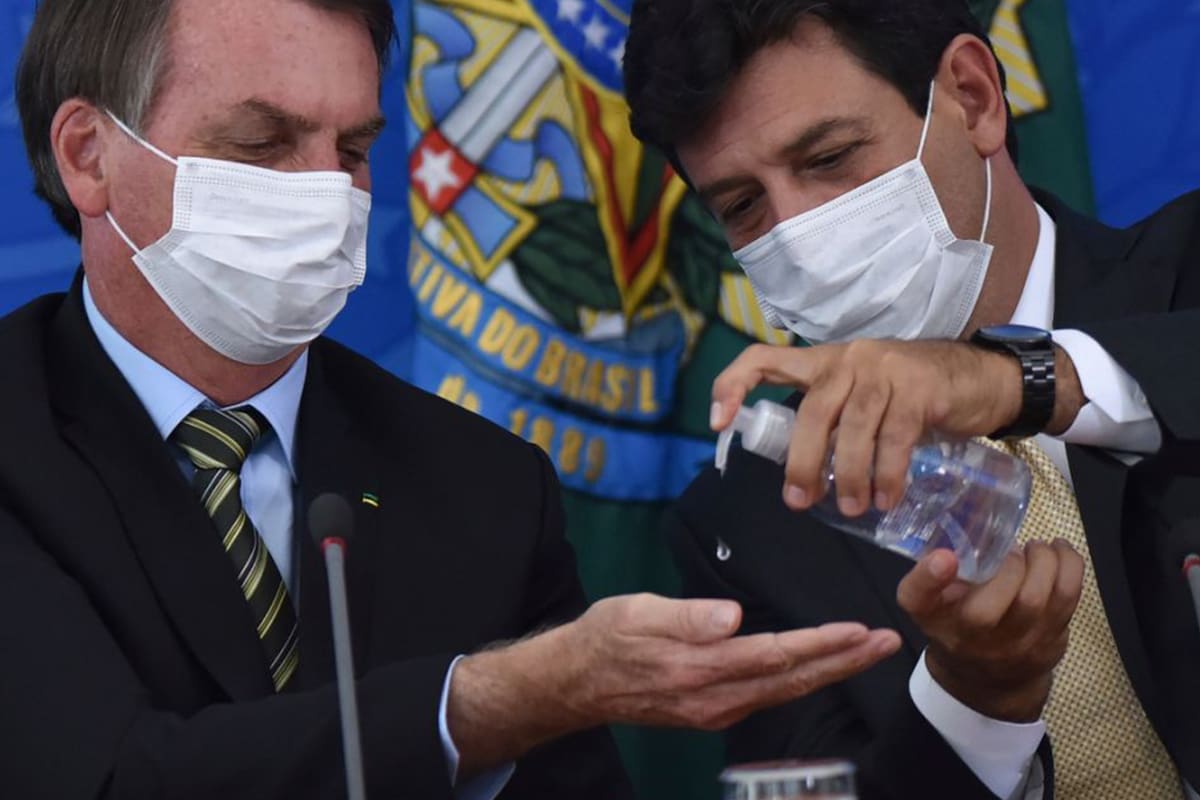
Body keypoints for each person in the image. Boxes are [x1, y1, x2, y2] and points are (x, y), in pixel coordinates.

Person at [0, 0, 906, 797]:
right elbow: (106, 777)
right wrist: (490, 702)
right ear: (90, 156)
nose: (324, 192)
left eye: (352, 150)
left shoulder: (488, 488)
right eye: (261, 143)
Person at [624, 1, 1200, 799]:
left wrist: (1018, 380)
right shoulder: (752, 517)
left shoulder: (1186, 274)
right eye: (743, 207)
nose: (799, 234)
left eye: (829, 157)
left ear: (973, 98)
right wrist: (979, 699)